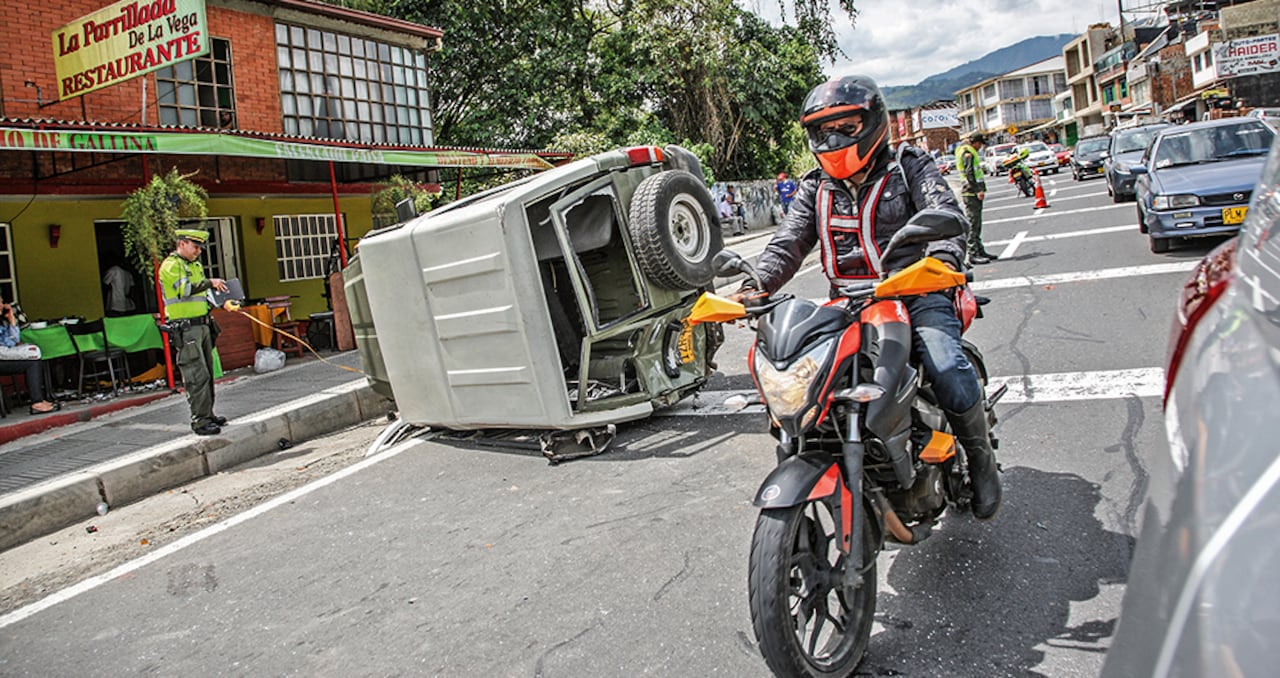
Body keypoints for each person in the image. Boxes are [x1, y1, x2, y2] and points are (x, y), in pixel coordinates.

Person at [731, 74, 1002, 520]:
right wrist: (754, 284)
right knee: (802, 381)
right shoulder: (815, 187)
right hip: (849, 303)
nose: (833, 138)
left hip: (916, 292)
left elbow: (946, 214)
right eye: (823, 130)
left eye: (846, 127)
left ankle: (981, 462)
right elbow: (788, 243)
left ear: (874, 122)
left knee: (943, 362)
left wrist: (942, 263)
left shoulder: (910, 167)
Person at [159, 229, 230, 436]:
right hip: (187, 328)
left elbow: (203, 294)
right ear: (182, 244)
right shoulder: (172, 265)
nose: (198, 251)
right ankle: (200, 421)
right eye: (195, 246)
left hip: (202, 325)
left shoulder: (194, 265)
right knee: (196, 375)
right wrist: (211, 282)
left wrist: (220, 300)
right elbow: (185, 290)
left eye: (200, 248)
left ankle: (208, 414)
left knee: (207, 373)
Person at [0, 297, 61, 415]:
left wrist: (11, 319)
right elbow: (10, 344)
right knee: (33, 356)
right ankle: (37, 402)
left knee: (33, 361)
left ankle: (38, 400)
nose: (2, 305)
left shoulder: (2, 322)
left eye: (2, 302)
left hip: (4, 355)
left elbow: (15, 340)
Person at [955, 131, 992, 264]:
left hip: (971, 192)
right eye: (980, 144)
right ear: (976, 143)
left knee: (977, 224)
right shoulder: (967, 152)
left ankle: (979, 250)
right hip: (971, 192)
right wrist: (978, 190)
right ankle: (973, 253)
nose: (981, 147)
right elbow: (969, 172)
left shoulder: (965, 150)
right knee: (973, 224)